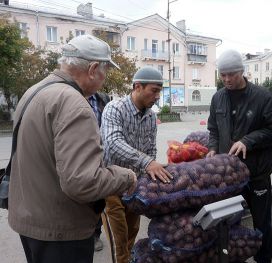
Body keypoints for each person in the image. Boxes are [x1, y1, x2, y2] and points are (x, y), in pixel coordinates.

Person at [8, 34, 137, 263]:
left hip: (30, 221)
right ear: (93, 68)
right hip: (61, 231)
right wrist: (125, 176)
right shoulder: (74, 103)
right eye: (104, 71)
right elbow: (82, 182)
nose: (104, 78)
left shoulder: (35, 91)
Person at [207, 49, 272, 263]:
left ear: (242, 71)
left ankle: (263, 259)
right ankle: (234, 257)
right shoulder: (218, 98)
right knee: (230, 223)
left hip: (256, 173)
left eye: (232, 74)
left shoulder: (262, 97)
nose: (227, 79)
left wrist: (247, 141)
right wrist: (213, 148)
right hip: (229, 174)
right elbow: (213, 129)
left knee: (261, 223)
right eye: (223, 75)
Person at [100, 67, 173, 263]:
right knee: (119, 237)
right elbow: (113, 143)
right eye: (154, 90)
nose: (157, 96)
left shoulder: (150, 116)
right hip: (111, 183)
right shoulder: (115, 108)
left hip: (134, 186)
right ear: (137, 86)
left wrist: (149, 178)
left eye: (160, 91)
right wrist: (148, 162)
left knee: (132, 231)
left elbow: (151, 150)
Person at [88, 92, 110, 252]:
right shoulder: (70, 95)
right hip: (78, 152)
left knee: (98, 197)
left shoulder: (102, 98)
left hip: (100, 154)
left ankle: (95, 234)